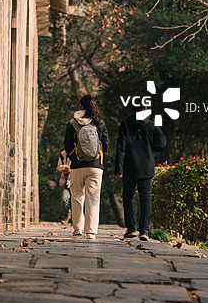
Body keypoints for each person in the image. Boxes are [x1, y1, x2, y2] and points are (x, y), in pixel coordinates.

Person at [115, 104, 166, 240]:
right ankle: (144, 231)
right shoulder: (151, 125)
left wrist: (118, 168)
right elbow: (161, 143)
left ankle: (131, 229)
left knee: (128, 197)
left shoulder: (126, 124)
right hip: (146, 167)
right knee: (145, 199)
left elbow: (121, 148)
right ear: (144, 109)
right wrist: (150, 149)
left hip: (129, 166)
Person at [64, 94, 109, 240]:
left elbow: (67, 144)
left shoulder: (72, 123)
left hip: (77, 166)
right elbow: (106, 143)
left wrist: (74, 157)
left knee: (77, 196)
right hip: (96, 166)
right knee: (93, 198)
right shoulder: (100, 123)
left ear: (81, 106)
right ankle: (91, 232)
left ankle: (78, 229)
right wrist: (99, 157)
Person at [56, 149, 71, 223]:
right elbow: (58, 167)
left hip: (76, 180)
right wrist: (66, 168)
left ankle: (76, 219)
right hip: (65, 181)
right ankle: (67, 215)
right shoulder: (63, 154)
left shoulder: (80, 151)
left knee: (78, 200)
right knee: (64, 199)